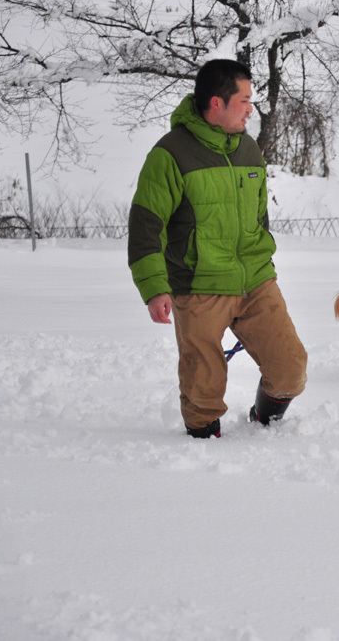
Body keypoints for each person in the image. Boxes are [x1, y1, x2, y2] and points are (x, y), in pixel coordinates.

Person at [127, 59, 307, 438]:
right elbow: (147, 224)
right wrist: (154, 286)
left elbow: (259, 218)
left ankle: (264, 425)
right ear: (217, 103)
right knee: (202, 387)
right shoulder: (170, 154)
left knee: (290, 369)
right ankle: (203, 448)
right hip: (199, 284)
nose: (250, 107)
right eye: (244, 100)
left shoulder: (248, 149)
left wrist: (264, 259)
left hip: (255, 281)